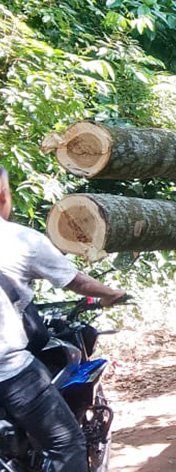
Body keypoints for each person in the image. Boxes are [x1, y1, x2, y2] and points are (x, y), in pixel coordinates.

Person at [0, 165, 126, 472]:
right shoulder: (18, 239)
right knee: (65, 444)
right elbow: (76, 281)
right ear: (3, 195)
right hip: (8, 371)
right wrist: (111, 294)